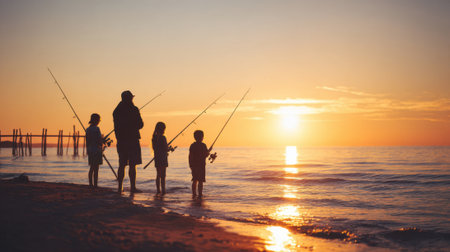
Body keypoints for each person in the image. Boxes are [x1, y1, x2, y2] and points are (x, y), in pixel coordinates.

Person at [113, 90, 144, 193]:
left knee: (121, 164)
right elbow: (140, 125)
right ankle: (133, 187)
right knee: (132, 164)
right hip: (133, 140)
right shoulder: (134, 109)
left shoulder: (116, 111)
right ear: (130, 98)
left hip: (121, 141)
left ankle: (120, 187)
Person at [152, 122, 173, 195]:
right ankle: (163, 190)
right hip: (163, 158)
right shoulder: (163, 137)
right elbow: (165, 148)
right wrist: (169, 148)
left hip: (157, 158)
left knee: (158, 175)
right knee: (163, 175)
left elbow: (155, 148)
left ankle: (158, 190)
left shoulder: (154, 138)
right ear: (163, 129)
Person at [189, 130, 210, 198]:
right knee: (200, 181)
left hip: (194, 165)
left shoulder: (192, 145)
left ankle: (194, 194)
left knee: (194, 180)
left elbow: (190, 156)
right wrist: (208, 152)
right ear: (202, 137)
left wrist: (190, 165)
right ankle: (200, 194)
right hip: (201, 166)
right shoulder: (203, 145)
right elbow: (205, 155)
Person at [86, 113, 103, 188]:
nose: (99, 121)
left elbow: (88, 141)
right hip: (96, 150)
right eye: (99, 120)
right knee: (96, 169)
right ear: (96, 120)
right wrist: (102, 141)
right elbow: (99, 140)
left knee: (91, 168)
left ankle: (90, 184)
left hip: (90, 150)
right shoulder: (97, 129)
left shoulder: (88, 129)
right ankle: (95, 184)